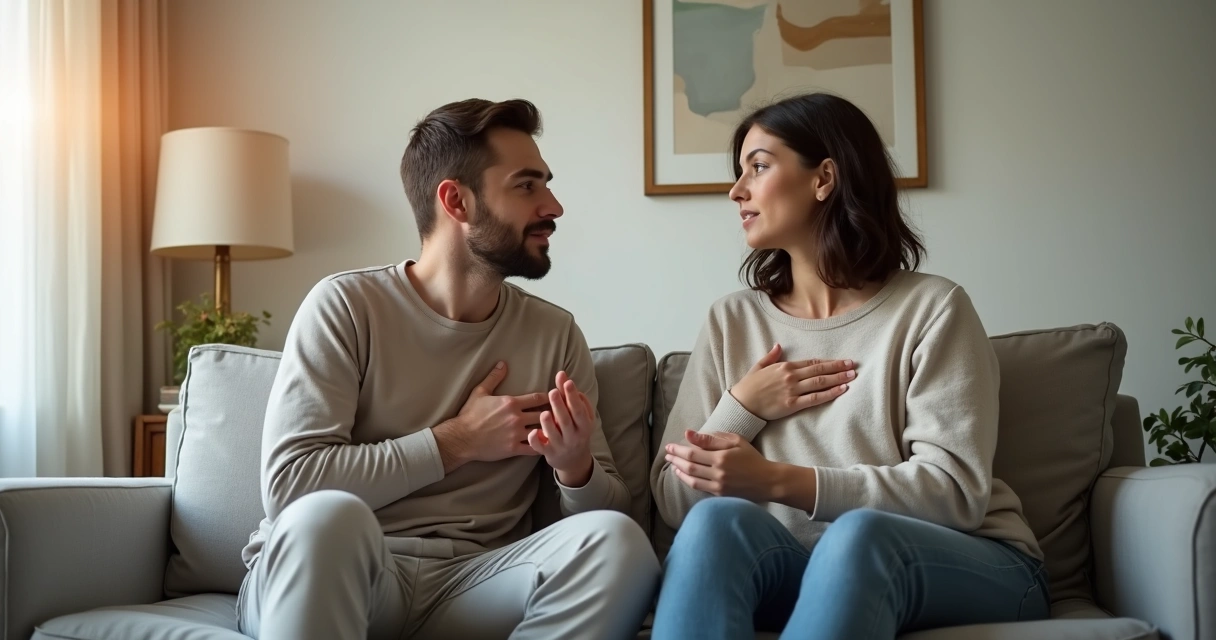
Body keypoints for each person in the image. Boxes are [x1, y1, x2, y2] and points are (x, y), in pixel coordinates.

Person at [237, 98, 659, 640]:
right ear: (456, 201)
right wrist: (455, 442)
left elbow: (612, 513)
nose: (553, 205)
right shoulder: (345, 306)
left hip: (472, 583)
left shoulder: (555, 336)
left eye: (546, 185)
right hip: (342, 572)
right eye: (527, 186)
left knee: (615, 543)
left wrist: (575, 469)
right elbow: (292, 488)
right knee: (326, 519)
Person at [649, 93, 1049, 639]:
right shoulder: (731, 322)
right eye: (738, 172)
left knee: (859, 537)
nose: (736, 190)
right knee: (716, 524)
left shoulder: (933, 309)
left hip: (977, 565)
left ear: (824, 178)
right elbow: (674, 502)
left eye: (759, 167)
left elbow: (954, 493)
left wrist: (775, 481)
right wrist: (741, 409)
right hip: (802, 571)